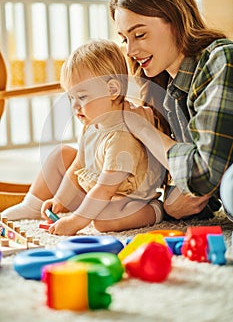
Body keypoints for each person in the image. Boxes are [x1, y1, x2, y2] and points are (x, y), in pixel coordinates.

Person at [1, 39, 164, 235]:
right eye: (71, 98)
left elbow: (105, 189)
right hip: (98, 188)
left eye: (83, 97)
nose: (75, 106)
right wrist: (59, 200)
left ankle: (155, 211)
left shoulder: (122, 137)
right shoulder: (92, 124)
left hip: (127, 197)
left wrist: (76, 222)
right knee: (61, 154)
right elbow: (78, 166)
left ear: (112, 90)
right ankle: (32, 204)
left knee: (103, 221)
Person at [109, 0, 233, 220]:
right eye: (125, 39)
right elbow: (191, 187)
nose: (131, 50)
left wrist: (145, 129)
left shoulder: (221, 58)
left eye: (140, 35)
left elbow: (203, 176)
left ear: (175, 21)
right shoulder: (165, 91)